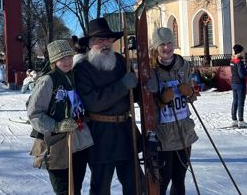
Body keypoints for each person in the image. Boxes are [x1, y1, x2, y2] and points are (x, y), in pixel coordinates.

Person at [73, 17, 139, 195]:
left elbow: (134, 93)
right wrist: (123, 86)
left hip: (125, 132)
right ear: (90, 43)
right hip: (100, 135)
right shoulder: (83, 68)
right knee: (101, 188)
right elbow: (93, 102)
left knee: (136, 186)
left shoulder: (120, 61)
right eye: (100, 40)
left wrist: (146, 87)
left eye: (108, 39)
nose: (105, 44)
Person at [27, 40, 93, 195]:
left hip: (78, 142)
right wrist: (56, 126)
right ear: (54, 61)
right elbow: (34, 113)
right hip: (56, 145)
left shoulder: (74, 76)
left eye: (69, 57)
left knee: (75, 188)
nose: (67, 61)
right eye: (62, 59)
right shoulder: (48, 80)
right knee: (64, 190)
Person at [146, 27, 199, 195]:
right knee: (163, 179)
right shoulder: (150, 70)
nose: (167, 48)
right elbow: (146, 104)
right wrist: (161, 101)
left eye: (170, 43)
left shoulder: (183, 65)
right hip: (163, 134)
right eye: (162, 44)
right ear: (156, 47)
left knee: (179, 177)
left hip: (184, 131)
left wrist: (189, 92)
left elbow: (191, 95)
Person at [230, 44, 247, 128]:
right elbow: (242, 74)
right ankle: (241, 121)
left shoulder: (232, 60)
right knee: (241, 103)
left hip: (233, 83)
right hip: (240, 84)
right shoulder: (239, 61)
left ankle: (234, 120)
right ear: (240, 51)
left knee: (235, 102)